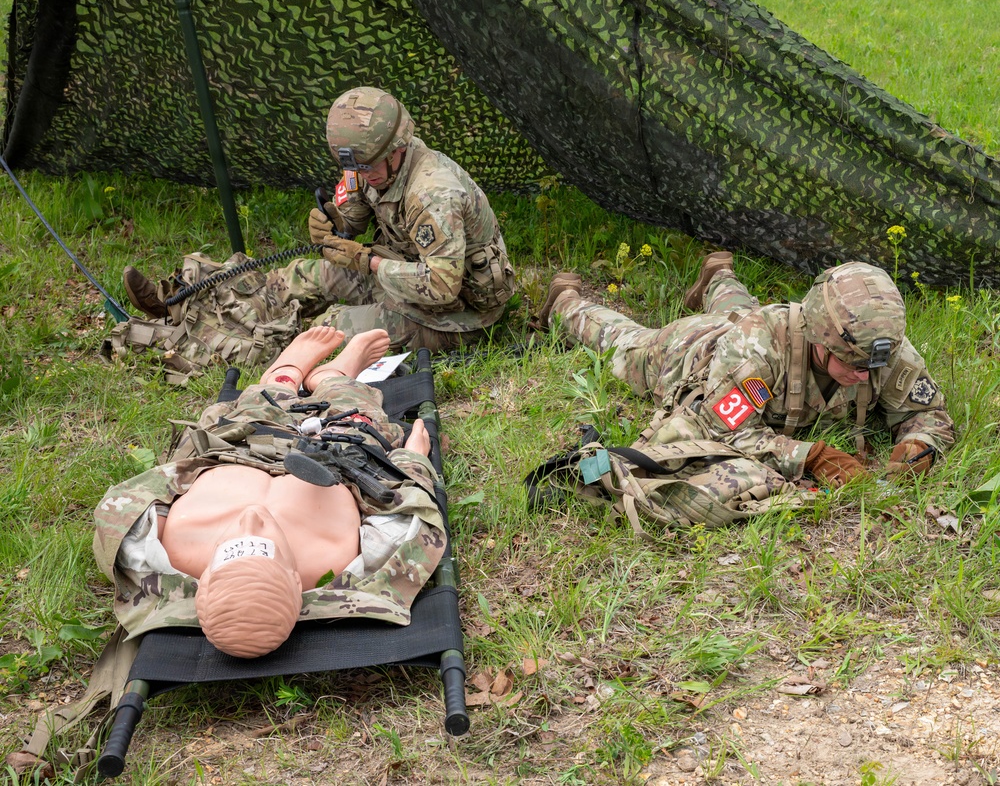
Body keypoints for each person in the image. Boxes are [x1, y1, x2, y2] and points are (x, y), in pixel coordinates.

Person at [93, 327, 447, 658]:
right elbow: (407, 509)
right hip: (338, 451)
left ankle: (286, 373)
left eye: (230, 546)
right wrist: (413, 458)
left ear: (201, 583)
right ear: (297, 580)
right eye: (265, 543)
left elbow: (139, 492)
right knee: (357, 415)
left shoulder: (168, 548)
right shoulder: (337, 558)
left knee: (262, 400)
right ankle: (332, 377)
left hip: (244, 444)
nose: (251, 518)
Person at [122, 86, 515, 353]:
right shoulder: (371, 166)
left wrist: (366, 261)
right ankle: (181, 303)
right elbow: (355, 219)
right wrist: (335, 224)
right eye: (355, 166)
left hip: (458, 317)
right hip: (401, 279)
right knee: (297, 276)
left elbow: (442, 286)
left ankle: (196, 340)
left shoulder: (433, 193)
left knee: (324, 328)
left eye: (370, 165)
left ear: (398, 147)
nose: (364, 174)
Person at [539, 253, 955, 487]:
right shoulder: (753, 353)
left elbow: (928, 412)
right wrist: (808, 455)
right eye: (853, 366)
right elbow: (727, 430)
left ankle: (718, 275)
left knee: (740, 311)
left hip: (749, 324)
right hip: (691, 353)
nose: (866, 376)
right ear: (819, 337)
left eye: (874, 367)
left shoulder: (875, 344)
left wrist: (920, 445)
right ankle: (566, 304)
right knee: (622, 341)